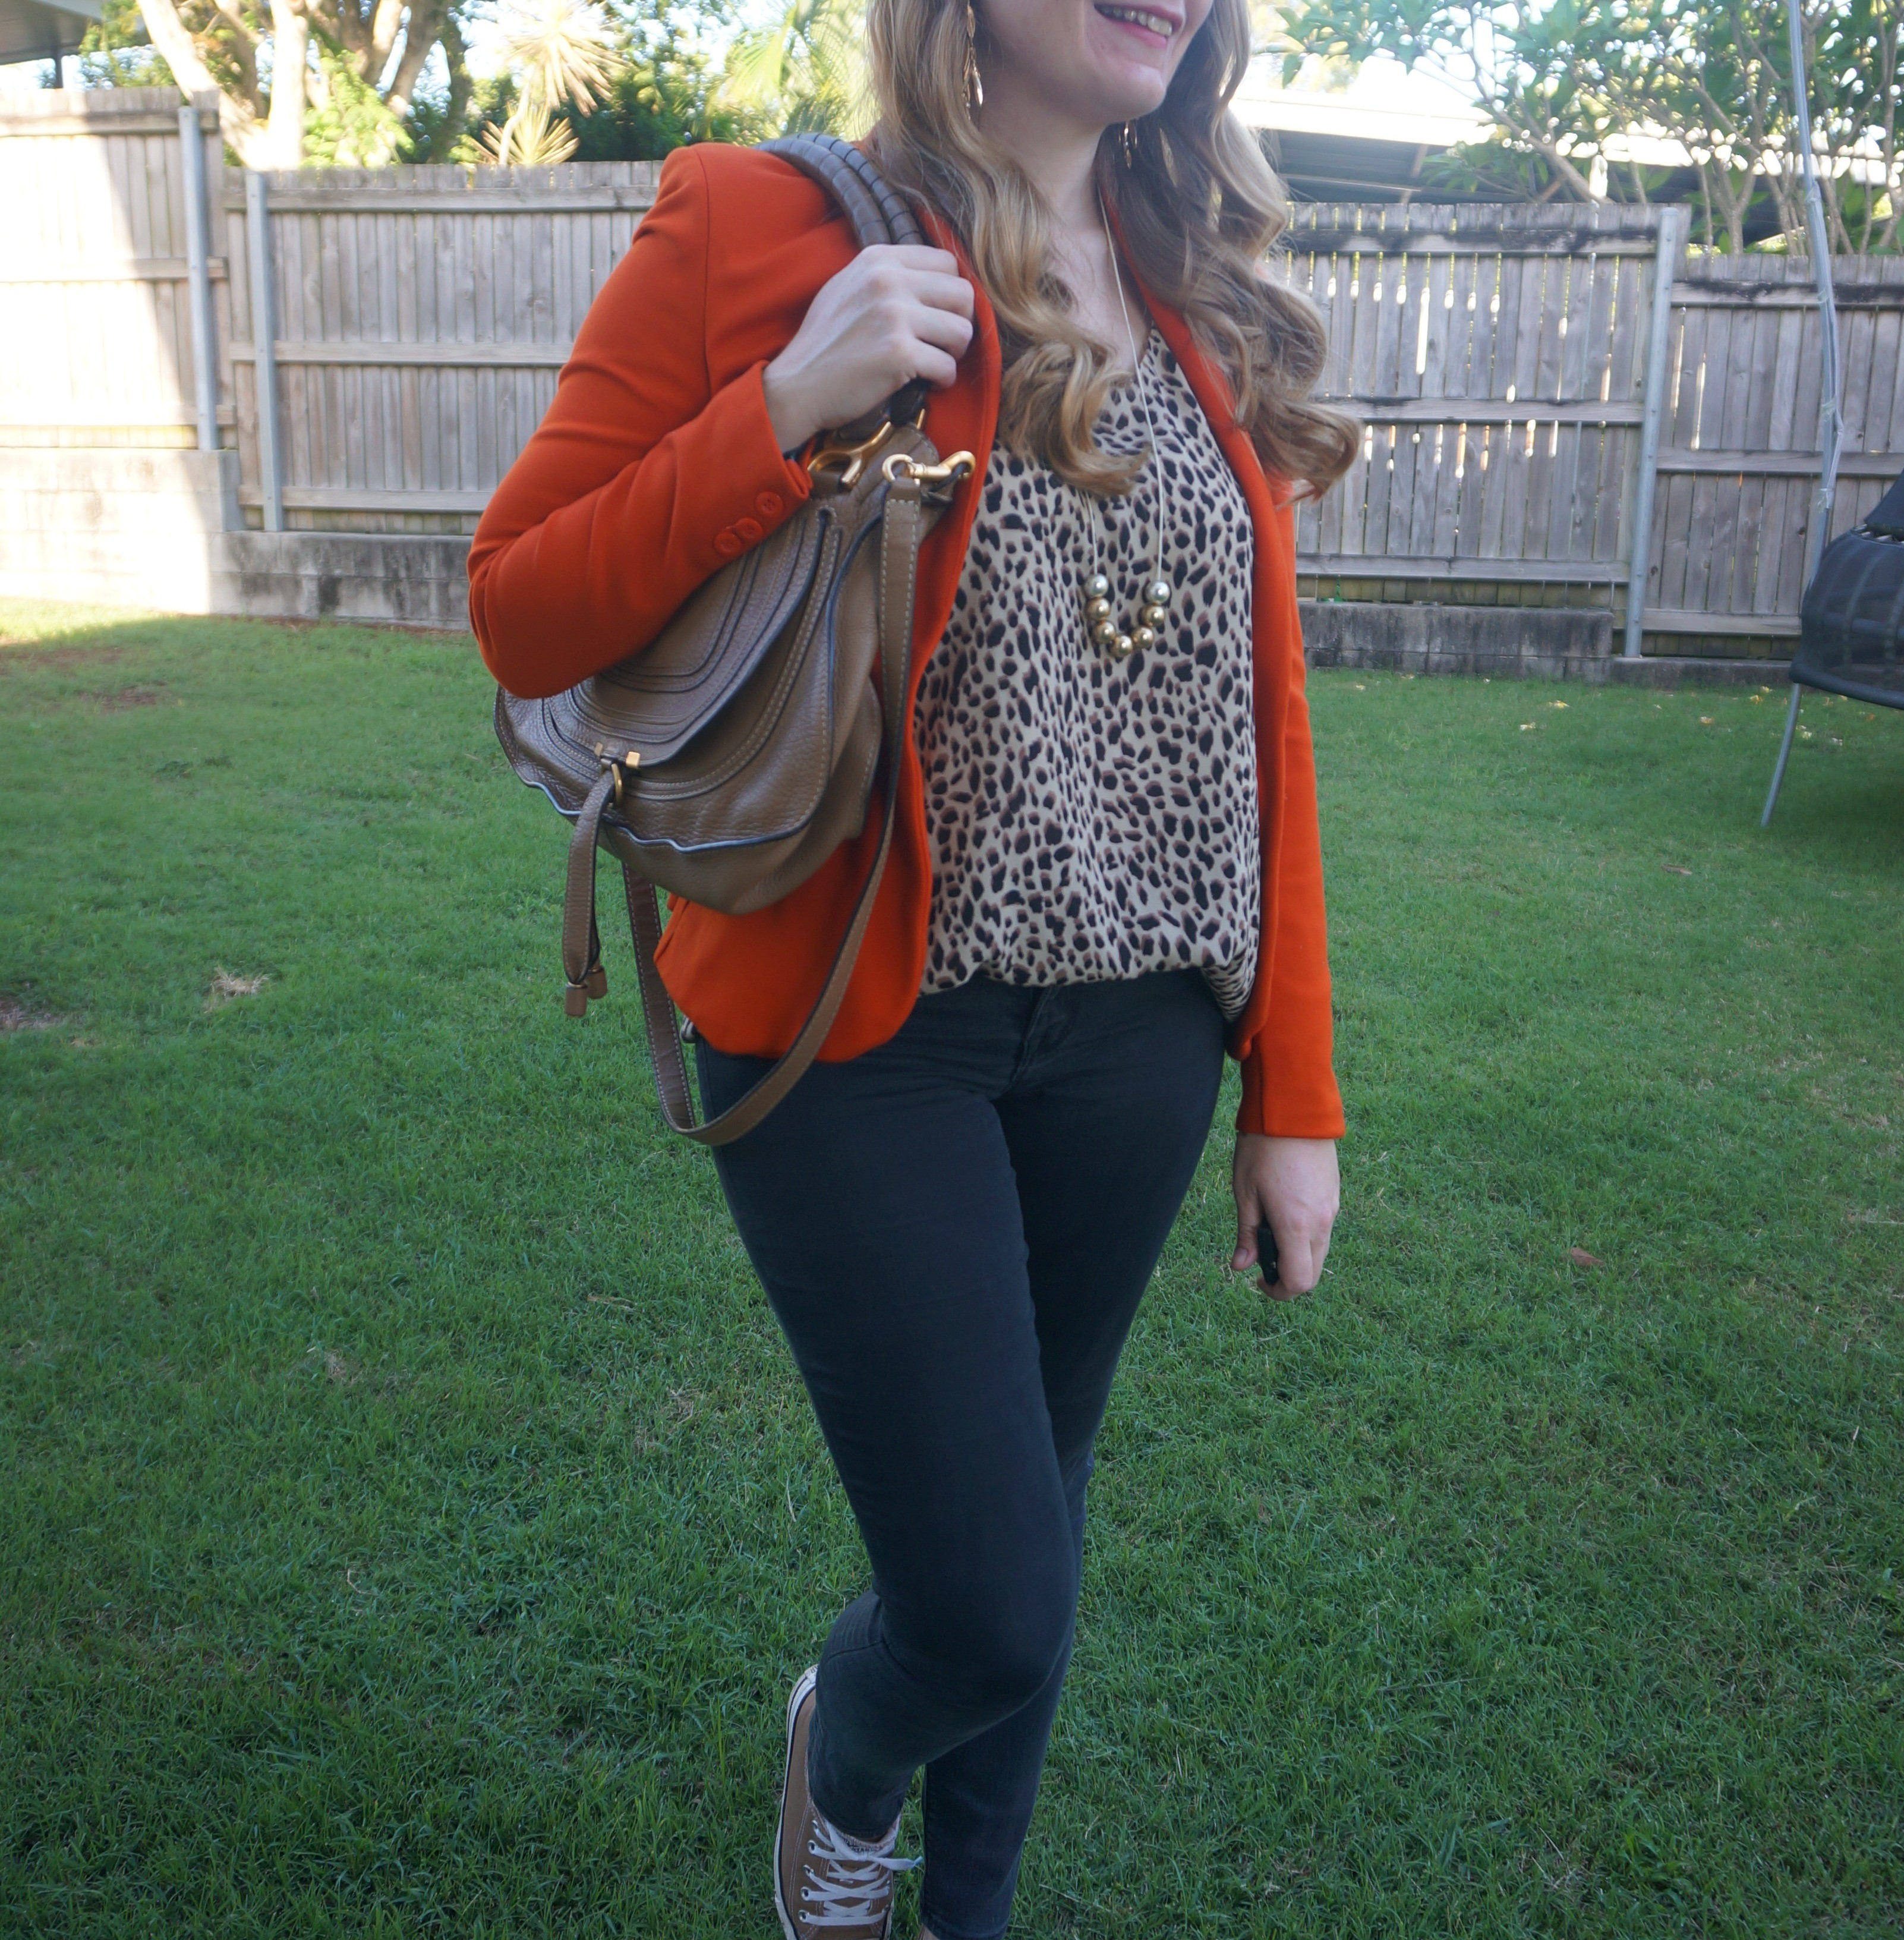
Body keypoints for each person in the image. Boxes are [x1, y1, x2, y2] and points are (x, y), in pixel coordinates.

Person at [469, 1, 1358, 1932]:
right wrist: (780, 411)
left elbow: (1256, 723)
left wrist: (1293, 1093)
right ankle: (841, 1756)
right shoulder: (758, 222)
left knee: (1031, 1517)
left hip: (1141, 1032)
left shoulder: (1195, 282)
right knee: (986, 1595)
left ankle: (957, 1911)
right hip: (860, 1028)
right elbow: (519, 598)